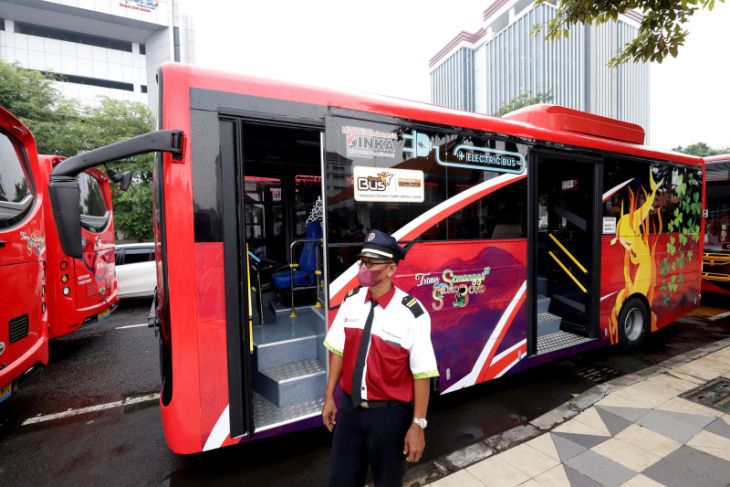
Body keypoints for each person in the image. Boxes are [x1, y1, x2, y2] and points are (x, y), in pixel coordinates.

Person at [322, 229, 439, 487]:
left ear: (391, 270)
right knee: (341, 481)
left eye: (372, 263)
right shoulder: (350, 302)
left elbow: (422, 374)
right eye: (363, 262)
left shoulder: (412, 314)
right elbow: (339, 351)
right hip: (350, 413)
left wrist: (418, 424)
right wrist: (330, 396)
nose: (365, 268)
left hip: (389, 418)